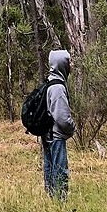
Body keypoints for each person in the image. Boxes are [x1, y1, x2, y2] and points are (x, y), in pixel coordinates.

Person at [42, 49, 75, 200]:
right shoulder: (58, 88)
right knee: (60, 169)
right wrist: (72, 127)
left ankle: (51, 197)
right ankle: (60, 199)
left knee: (50, 165)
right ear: (62, 64)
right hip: (55, 135)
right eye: (69, 61)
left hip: (48, 133)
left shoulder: (51, 81)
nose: (71, 65)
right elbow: (62, 118)